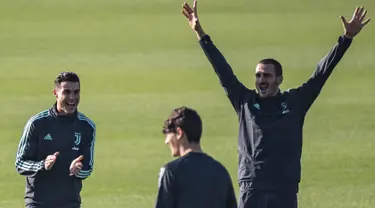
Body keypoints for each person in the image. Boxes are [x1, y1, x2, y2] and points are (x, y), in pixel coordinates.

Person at [181, 1, 370, 208]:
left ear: (279, 80)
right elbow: (222, 70)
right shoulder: (244, 101)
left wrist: (346, 39)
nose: (261, 79)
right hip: (252, 187)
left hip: (284, 189)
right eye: (258, 75)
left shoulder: (295, 102)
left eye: (267, 75)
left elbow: (321, 74)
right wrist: (200, 32)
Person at [15, 72, 96, 208]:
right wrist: (42, 165)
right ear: (55, 93)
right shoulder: (37, 123)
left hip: (70, 203)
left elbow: (88, 168)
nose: (72, 97)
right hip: (38, 203)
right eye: (67, 92)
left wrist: (78, 169)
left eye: (76, 92)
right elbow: (20, 163)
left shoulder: (87, 127)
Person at [155, 106, 237, 208]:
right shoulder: (220, 170)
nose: (166, 141)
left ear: (179, 133)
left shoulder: (171, 172)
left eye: (168, 135)